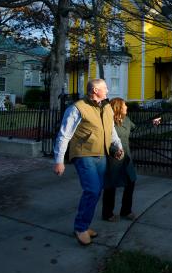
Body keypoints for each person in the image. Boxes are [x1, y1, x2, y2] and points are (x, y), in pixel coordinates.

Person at [53, 79, 124, 246]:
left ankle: (83, 225)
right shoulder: (76, 108)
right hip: (84, 154)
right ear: (94, 90)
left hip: (102, 155)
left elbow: (111, 129)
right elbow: (64, 135)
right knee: (92, 190)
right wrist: (59, 160)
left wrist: (118, 146)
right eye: (104, 88)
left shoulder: (106, 107)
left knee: (96, 191)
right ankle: (80, 228)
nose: (107, 90)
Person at [101, 98, 161, 222]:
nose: (127, 107)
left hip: (126, 157)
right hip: (113, 159)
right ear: (118, 108)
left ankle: (126, 211)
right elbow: (104, 141)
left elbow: (136, 129)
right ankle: (107, 213)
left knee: (131, 181)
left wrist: (152, 123)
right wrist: (114, 150)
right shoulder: (107, 121)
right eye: (124, 106)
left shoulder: (126, 120)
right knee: (110, 186)